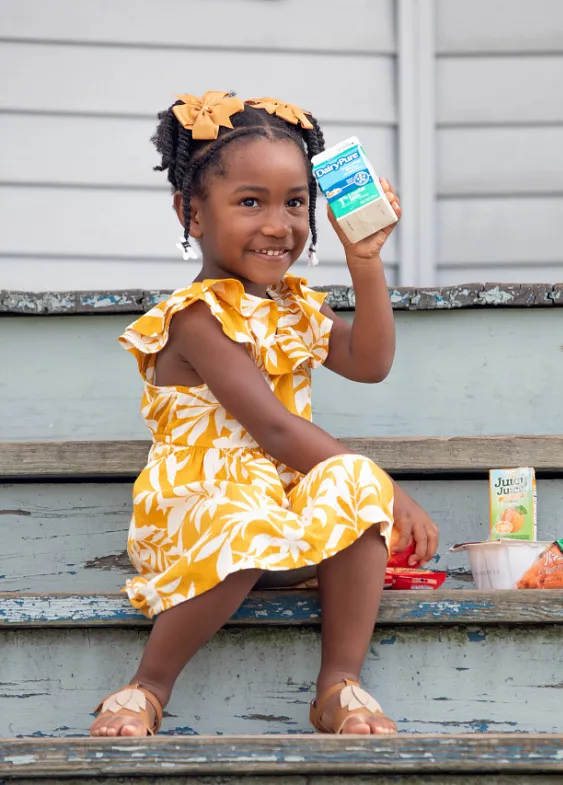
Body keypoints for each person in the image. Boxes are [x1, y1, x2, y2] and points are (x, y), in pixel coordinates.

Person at [89, 91, 439, 738]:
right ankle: (148, 685)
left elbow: (369, 361)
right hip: (201, 514)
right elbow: (274, 428)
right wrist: (390, 490)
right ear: (190, 211)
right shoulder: (193, 319)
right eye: (250, 202)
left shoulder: (294, 307)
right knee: (287, 500)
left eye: (295, 202)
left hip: (281, 512)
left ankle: (339, 683)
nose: (278, 224)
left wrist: (365, 261)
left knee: (350, 480)